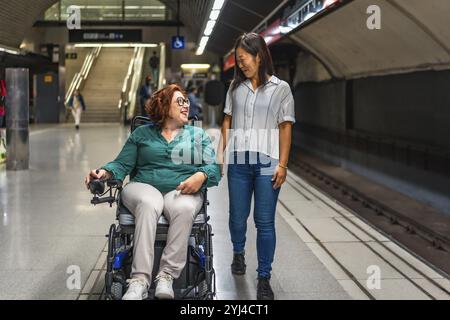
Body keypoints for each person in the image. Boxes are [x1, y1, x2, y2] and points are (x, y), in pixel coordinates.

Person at [85, 84, 221, 300]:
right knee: (150, 203)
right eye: (180, 101)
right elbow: (121, 164)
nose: (186, 105)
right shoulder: (142, 134)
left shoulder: (197, 135)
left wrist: (201, 175)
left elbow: (214, 169)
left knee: (185, 207)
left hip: (180, 191)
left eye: (187, 102)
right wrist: (105, 173)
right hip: (142, 187)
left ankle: (166, 276)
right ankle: (139, 280)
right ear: (164, 105)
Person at [220, 33, 295, 300]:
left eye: (244, 59)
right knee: (237, 217)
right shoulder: (235, 88)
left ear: (259, 56)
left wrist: (283, 164)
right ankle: (238, 252)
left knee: (265, 223)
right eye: (238, 61)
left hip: (267, 163)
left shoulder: (281, 88)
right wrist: (220, 155)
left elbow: (285, 127)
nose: (241, 64)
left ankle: (264, 276)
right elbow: (227, 122)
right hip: (239, 162)